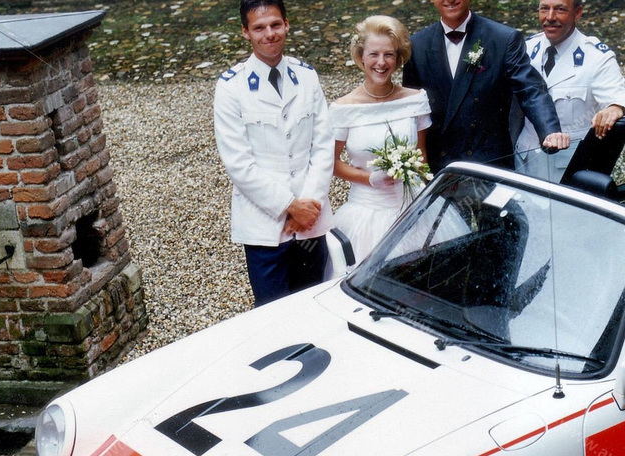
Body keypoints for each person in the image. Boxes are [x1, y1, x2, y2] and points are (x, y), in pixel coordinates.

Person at [214, 0, 335, 307]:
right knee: (271, 312)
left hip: (310, 222)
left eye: (275, 25)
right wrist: (290, 207)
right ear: (245, 32)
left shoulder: (306, 76)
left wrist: (309, 205)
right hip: (265, 227)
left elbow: (323, 145)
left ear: (286, 24)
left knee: (314, 304)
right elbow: (239, 164)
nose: (269, 34)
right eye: (259, 28)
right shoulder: (231, 87)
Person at [403, 0, 569, 172]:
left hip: (489, 166)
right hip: (439, 170)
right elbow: (410, 108)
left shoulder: (503, 38)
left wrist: (549, 130)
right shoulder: (416, 46)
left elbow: (530, 89)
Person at [330, 15, 432, 262]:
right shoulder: (343, 108)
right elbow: (331, 163)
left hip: (412, 207)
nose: (381, 62)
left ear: (398, 58)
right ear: (361, 56)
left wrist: (423, 192)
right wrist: (370, 178)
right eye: (373, 54)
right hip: (366, 209)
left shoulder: (415, 100)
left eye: (389, 55)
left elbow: (422, 155)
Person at [515, 0, 625, 182]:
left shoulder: (596, 57)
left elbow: (624, 100)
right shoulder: (526, 49)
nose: (550, 17)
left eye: (560, 9)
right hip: (524, 163)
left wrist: (615, 108)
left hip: (567, 169)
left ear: (578, 12)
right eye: (544, 9)